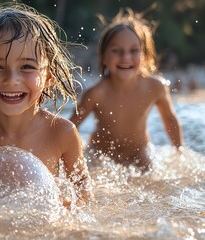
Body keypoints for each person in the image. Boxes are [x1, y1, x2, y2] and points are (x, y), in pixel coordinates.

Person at [0, 3, 93, 213]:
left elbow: (84, 190)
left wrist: (71, 206)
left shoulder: (61, 133)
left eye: (27, 67)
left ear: (48, 76)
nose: (12, 80)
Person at [70, 8, 183, 172]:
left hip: (139, 152)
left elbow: (170, 120)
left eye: (134, 51)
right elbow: (71, 127)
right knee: (96, 177)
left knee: (153, 178)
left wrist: (179, 152)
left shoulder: (155, 87)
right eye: (117, 51)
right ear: (103, 56)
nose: (125, 58)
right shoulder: (96, 94)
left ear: (144, 55)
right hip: (101, 153)